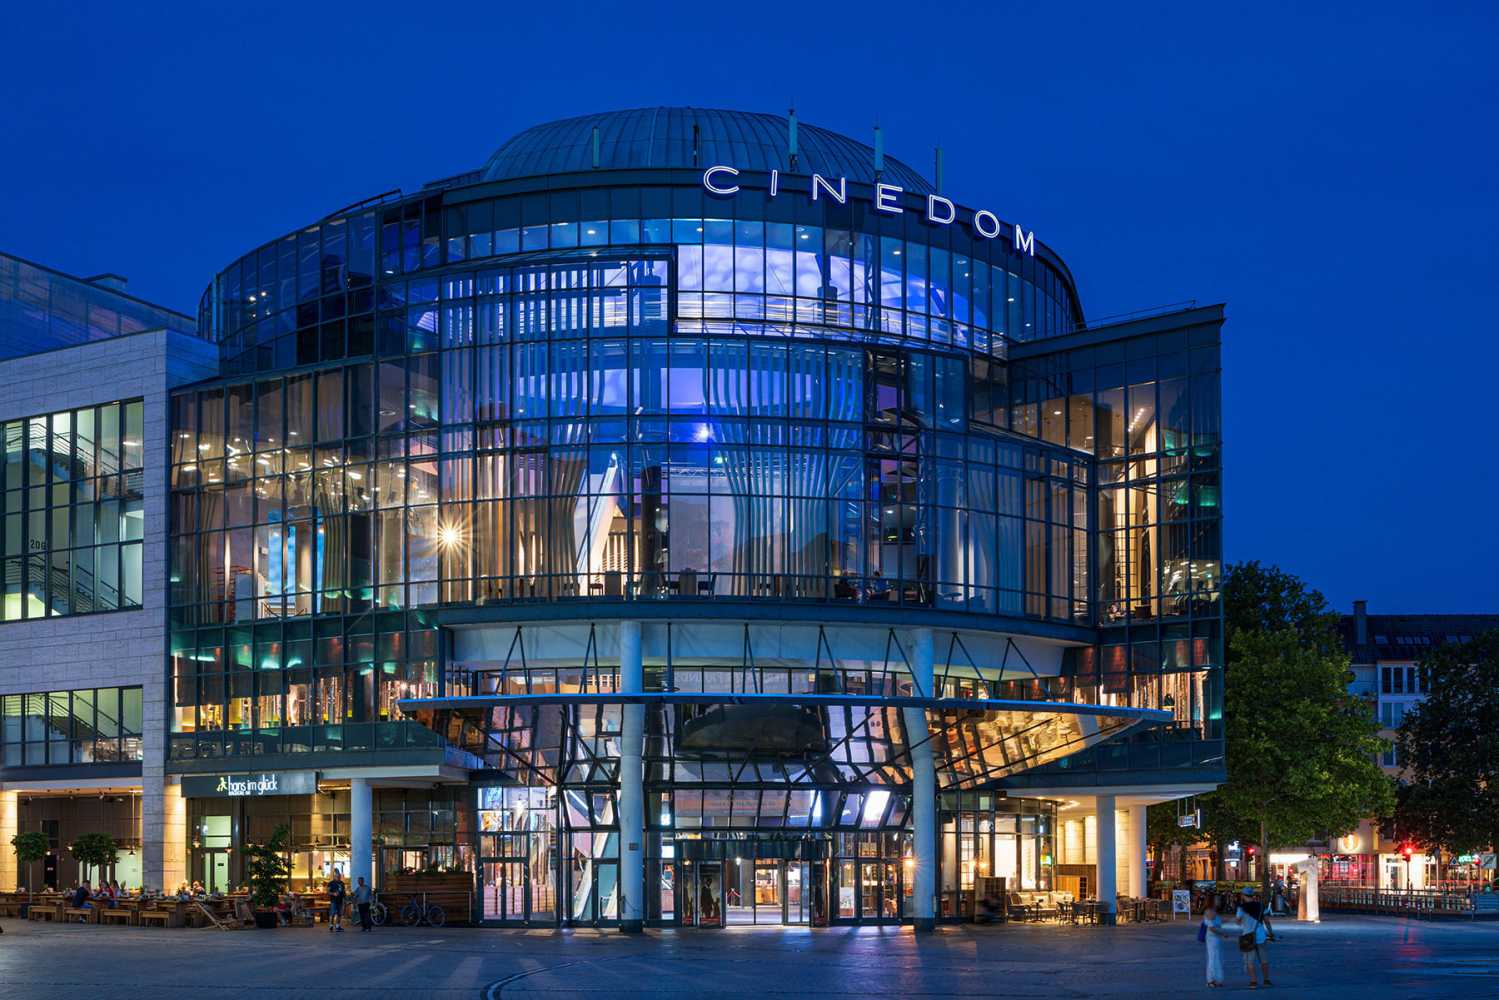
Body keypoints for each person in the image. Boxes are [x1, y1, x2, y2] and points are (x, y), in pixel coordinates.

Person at [1235, 886, 1276, 988]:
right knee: (1264, 960)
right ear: (1252, 895)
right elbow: (1266, 921)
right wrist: (1271, 933)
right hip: (1261, 935)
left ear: (1244, 896)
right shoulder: (1261, 906)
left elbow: (1238, 922)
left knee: (1250, 961)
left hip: (1248, 937)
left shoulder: (1241, 908)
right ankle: (1266, 980)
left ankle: (1253, 982)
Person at [1199, 897, 1233, 988]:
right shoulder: (1209, 911)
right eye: (1217, 899)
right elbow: (1211, 928)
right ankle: (1211, 980)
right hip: (1212, 938)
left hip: (1215, 938)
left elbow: (1219, 921)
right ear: (1213, 901)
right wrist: (1223, 933)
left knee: (1217, 958)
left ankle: (1217, 979)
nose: (1219, 901)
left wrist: (1232, 919)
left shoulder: (1214, 911)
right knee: (1213, 958)